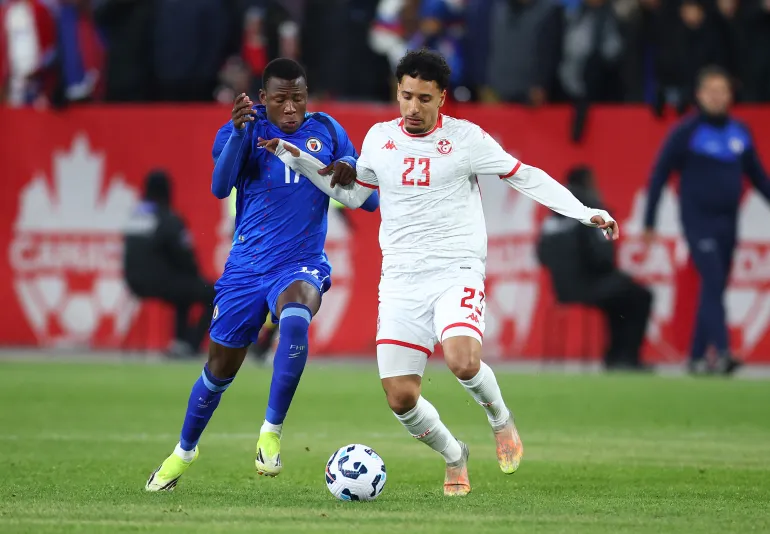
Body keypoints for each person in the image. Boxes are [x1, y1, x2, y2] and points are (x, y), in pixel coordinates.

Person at [261, 49, 618, 496]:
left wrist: (585, 212)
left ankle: (500, 420)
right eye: (406, 96)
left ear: (442, 99)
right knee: (401, 396)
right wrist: (299, 160)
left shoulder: (467, 139)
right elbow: (352, 195)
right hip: (401, 280)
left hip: (457, 268)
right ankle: (454, 455)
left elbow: (524, 176)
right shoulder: (378, 139)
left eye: (424, 99)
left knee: (462, 361)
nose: (413, 108)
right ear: (397, 91)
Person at [145, 58, 380, 492]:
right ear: (263, 99)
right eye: (280, 99)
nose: (290, 108)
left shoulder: (327, 131)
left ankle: (270, 432)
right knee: (218, 372)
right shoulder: (244, 130)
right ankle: (184, 451)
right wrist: (237, 134)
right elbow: (220, 187)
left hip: (299, 262)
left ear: (307, 97)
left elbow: (368, 201)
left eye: (298, 98)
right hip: (245, 270)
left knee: (295, 319)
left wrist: (349, 167)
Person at [644, 65, 770, 375]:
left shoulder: (740, 131)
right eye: (710, 91)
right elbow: (659, 174)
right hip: (697, 220)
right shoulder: (686, 132)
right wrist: (649, 220)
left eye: (722, 91)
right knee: (713, 280)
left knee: (715, 287)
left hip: (729, 222)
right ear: (699, 95)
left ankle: (697, 357)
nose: (716, 97)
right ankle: (723, 351)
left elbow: (757, 176)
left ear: (730, 95)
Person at [537, 166, 652, 371]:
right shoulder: (589, 210)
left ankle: (617, 358)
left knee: (619, 296)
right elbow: (602, 258)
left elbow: (541, 256)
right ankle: (624, 359)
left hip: (561, 290)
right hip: (587, 285)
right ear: (587, 184)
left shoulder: (552, 215)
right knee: (639, 295)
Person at [123, 170, 215, 358]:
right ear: (166, 191)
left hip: (133, 283)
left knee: (184, 287)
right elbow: (185, 256)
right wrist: (195, 276)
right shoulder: (169, 218)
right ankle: (190, 344)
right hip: (161, 283)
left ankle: (180, 342)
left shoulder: (134, 217)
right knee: (213, 293)